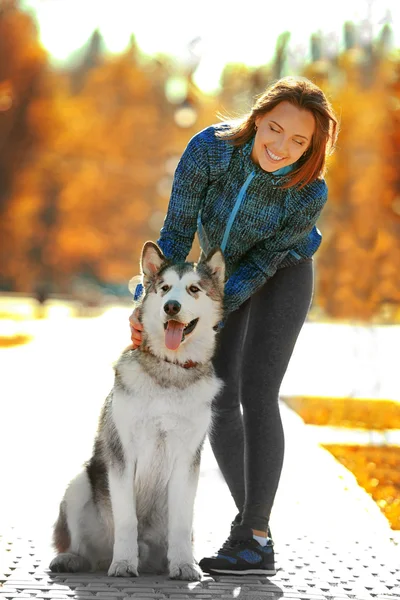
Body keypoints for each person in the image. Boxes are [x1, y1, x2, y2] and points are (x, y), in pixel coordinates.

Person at [129, 76, 339, 576]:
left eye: (299, 141)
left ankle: (256, 536)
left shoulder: (308, 192)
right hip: (217, 274)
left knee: (258, 391)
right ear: (257, 118)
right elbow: (177, 233)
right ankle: (251, 532)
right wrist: (150, 307)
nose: (281, 146)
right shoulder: (209, 152)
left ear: (312, 148)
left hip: (281, 273)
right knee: (218, 394)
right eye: (275, 129)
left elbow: (263, 263)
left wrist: (210, 314)